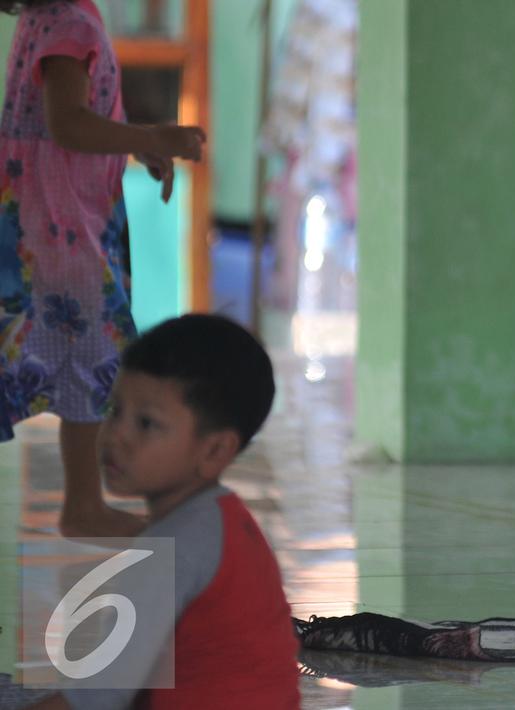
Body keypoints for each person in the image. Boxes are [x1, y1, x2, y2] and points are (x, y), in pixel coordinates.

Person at [0, 0, 205, 537]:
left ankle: (84, 504)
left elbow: (78, 122)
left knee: (82, 356)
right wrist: (150, 139)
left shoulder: (57, 17)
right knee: (81, 350)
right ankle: (85, 505)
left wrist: (138, 143)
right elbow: (66, 125)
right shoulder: (68, 23)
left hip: (58, 219)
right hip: (58, 229)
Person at [30, 314, 300, 709]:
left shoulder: (168, 548)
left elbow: (98, 695)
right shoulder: (225, 518)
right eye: (114, 410)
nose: (116, 434)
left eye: (146, 423)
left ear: (214, 452)